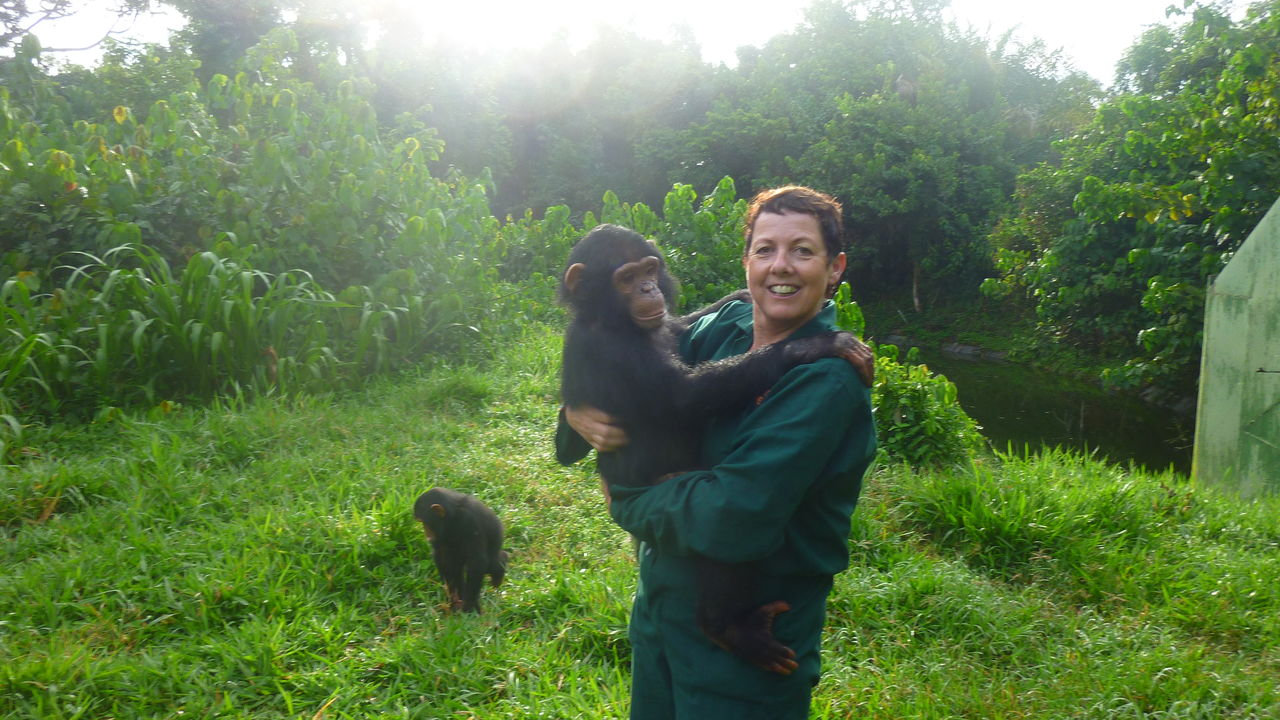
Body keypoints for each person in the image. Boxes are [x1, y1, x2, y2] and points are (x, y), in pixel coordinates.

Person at [557, 185, 877, 719]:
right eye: (765, 250)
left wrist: (626, 503)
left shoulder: (827, 381)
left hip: (738, 657)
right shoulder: (725, 330)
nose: (782, 266)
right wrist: (572, 415)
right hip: (662, 615)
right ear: (747, 260)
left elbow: (731, 518)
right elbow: (645, 383)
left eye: (802, 251)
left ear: (835, 267)